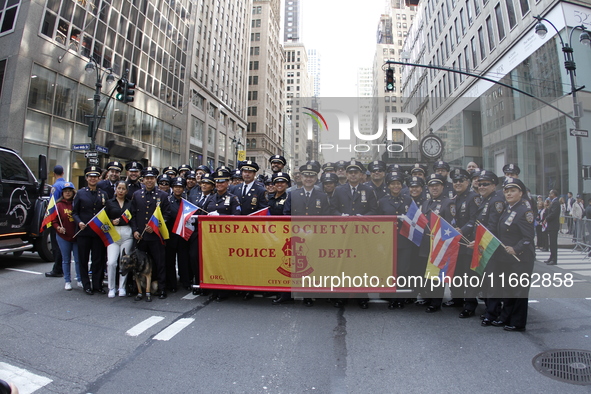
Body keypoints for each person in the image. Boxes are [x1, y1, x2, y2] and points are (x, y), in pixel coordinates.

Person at [330, 160, 377, 309]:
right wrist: (340, 216)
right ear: (346, 174)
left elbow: (374, 210)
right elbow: (332, 209)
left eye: (356, 172)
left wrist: (362, 218)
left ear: (360, 174)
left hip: (361, 234)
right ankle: (341, 296)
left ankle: (362, 297)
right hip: (343, 234)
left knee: (362, 265)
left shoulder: (368, 190)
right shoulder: (338, 190)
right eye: (350, 172)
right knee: (343, 264)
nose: (353, 175)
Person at [491, 178, 536, 331]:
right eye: (506, 191)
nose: (509, 193)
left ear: (521, 193)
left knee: (519, 291)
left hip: (521, 258)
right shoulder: (508, 209)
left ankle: (517, 322)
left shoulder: (525, 211)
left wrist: (516, 249)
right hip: (507, 258)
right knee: (508, 289)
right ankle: (505, 318)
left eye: (513, 190)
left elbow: (528, 237)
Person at [130, 166, 172, 299]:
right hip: (141, 236)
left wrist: (156, 227)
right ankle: (140, 289)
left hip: (155, 236)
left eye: (152, 178)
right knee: (139, 264)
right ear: (142, 180)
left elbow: (167, 215)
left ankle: (161, 288)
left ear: (155, 179)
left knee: (160, 262)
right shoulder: (137, 195)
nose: (149, 181)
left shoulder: (163, 195)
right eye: (147, 178)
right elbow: (133, 215)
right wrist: (135, 230)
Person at [418, 174, 455, 313]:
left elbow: (450, 225)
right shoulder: (426, 203)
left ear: (442, 187)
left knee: (436, 274)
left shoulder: (448, 203)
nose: (434, 188)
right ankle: (428, 296)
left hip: (439, 243)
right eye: (431, 186)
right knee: (426, 272)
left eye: (437, 185)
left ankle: (436, 301)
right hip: (426, 243)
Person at [444, 169, 479, 318]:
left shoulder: (473, 197)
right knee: (456, 272)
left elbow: (475, 220)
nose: (457, 183)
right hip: (456, 243)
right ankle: (457, 298)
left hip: (468, 242)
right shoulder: (454, 198)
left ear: (468, 182)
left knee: (469, 275)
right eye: (455, 181)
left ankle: (470, 304)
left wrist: (462, 231)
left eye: (461, 180)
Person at [377, 171, 413, 309]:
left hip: (404, 240)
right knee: (389, 269)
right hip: (387, 241)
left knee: (403, 269)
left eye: (398, 183)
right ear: (388, 186)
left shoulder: (408, 200)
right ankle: (389, 295)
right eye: (393, 184)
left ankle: (401, 297)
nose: (396, 186)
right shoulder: (382, 201)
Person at [72, 166, 108, 295]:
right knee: (83, 259)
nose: (93, 179)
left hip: (98, 233)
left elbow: (106, 212)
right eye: (90, 176)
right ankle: (86, 285)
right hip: (84, 232)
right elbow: (74, 212)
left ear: (99, 178)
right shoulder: (80, 193)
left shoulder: (103, 194)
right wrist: (79, 222)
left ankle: (97, 285)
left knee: (98, 259)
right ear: (87, 178)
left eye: (95, 176)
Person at [104, 180, 134, 298]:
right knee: (111, 262)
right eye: (119, 188)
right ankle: (111, 287)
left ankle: (122, 287)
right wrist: (111, 222)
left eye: (123, 189)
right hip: (113, 234)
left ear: (126, 191)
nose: (121, 191)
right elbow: (103, 220)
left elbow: (133, 217)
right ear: (115, 189)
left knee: (124, 261)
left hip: (127, 234)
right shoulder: (109, 203)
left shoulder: (130, 203)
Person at [51, 182, 80, 291]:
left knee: (78, 259)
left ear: (73, 192)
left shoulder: (77, 203)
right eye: (65, 191)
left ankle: (79, 279)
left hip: (76, 236)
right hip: (63, 236)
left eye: (69, 191)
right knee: (66, 259)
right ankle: (67, 281)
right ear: (62, 192)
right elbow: (53, 221)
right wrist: (58, 228)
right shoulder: (58, 205)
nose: (67, 193)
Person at [165, 177, 192, 293]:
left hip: (182, 235)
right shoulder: (167, 200)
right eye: (176, 187)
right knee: (170, 261)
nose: (178, 189)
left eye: (180, 187)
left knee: (183, 260)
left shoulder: (187, 201)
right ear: (172, 188)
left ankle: (185, 282)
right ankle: (172, 284)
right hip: (170, 235)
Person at [45, 165, 67, 278]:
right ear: (63, 173)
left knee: (56, 244)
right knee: (64, 244)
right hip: (66, 218)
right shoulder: (67, 184)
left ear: (54, 174)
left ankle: (57, 269)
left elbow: (52, 204)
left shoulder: (55, 186)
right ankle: (63, 267)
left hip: (57, 218)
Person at [543, 189, 560, 265]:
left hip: (553, 225)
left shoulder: (556, 202)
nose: (549, 195)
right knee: (551, 243)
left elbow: (554, 213)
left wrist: (546, 218)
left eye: (550, 193)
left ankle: (554, 259)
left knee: (553, 243)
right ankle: (551, 257)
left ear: (554, 194)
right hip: (551, 225)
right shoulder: (553, 202)